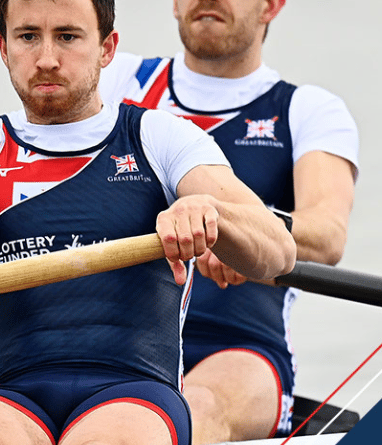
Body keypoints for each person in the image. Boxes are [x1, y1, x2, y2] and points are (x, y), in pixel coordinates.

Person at [0, 0, 296, 444]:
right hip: (6, 398)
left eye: (68, 36)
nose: (46, 59)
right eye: (27, 37)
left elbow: (278, 250)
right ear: (3, 47)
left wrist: (212, 213)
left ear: (107, 48)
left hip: (135, 396)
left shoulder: (159, 136)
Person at [99, 0, 359, 443]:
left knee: (190, 411)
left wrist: (239, 231)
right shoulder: (114, 79)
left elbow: (327, 234)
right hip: (112, 344)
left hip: (239, 350)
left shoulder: (307, 110)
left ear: (271, 6)